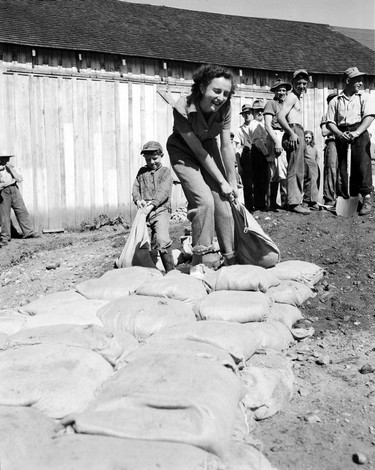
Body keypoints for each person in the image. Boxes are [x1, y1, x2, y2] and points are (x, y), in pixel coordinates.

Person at [166, 64, 238, 275]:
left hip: (208, 145)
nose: (221, 97)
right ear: (202, 87)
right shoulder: (182, 107)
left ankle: (230, 257)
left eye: (225, 93)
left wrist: (231, 182)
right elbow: (197, 152)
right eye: (216, 91)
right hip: (183, 150)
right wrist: (222, 182)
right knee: (204, 201)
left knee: (225, 203)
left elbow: (226, 145)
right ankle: (199, 260)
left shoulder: (226, 107)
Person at [326, 67, 375, 216]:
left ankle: (367, 198)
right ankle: (347, 197)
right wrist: (340, 134)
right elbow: (329, 122)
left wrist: (357, 132)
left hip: (359, 132)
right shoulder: (335, 100)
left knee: (362, 165)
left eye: (361, 80)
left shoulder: (364, 97)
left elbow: (370, 116)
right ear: (348, 81)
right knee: (343, 167)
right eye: (357, 80)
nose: (360, 82)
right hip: (342, 134)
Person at [132, 141, 174, 272]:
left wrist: (153, 204)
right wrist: (138, 200)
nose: (152, 162)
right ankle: (148, 272)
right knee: (143, 242)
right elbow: (136, 188)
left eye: (154, 158)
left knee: (161, 239)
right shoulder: (142, 172)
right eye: (148, 159)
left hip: (160, 210)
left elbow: (164, 191)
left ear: (161, 155)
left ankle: (171, 271)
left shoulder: (165, 172)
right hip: (144, 212)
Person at [277, 69, 311, 214]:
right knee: (295, 167)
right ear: (293, 83)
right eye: (299, 83)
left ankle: (295, 200)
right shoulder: (291, 97)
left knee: (299, 167)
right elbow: (280, 116)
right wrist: (291, 133)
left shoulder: (297, 97)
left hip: (298, 131)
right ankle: (293, 202)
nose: (302, 86)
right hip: (294, 131)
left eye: (304, 83)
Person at [0, 155, 40, 246]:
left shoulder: (10, 168)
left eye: (8, 159)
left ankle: (29, 232)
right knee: (4, 215)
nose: (7, 161)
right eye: (4, 159)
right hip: (3, 192)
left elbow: (20, 179)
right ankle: (5, 237)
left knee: (21, 210)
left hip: (14, 189)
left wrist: (10, 169)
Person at [264, 78, 291, 210]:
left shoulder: (286, 105)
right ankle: (274, 202)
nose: (281, 92)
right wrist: (276, 142)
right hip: (275, 134)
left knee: (283, 168)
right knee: (278, 170)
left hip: (285, 135)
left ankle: (282, 202)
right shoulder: (271, 103)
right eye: (279, 90)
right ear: (274, 91)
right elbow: (268, 125)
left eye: (284, 90)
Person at [248, 99, 271, 210]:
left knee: (262, 179)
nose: (260, 113)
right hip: (258, 152)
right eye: (257, 111)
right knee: (259, 179)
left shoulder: (261, 124)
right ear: (253, 113)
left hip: (260, 151)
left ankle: (261, 203)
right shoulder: (255, 124)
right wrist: (266, 154)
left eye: (262, 110)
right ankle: (259, 205)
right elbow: (258, 141)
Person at [233, 103, 254, 211]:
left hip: (257, 157)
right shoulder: (240, 130)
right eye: (245, 113)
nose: (247, 115)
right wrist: (239, 165)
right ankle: (250, 208)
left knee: (259, 182)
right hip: (245, 157)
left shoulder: (258, 126)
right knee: (247, 184)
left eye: (249, 113)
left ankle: (260, 206)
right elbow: (237, 149)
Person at [320, 92, 338, 207]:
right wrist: (338, 129)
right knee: (331, 170)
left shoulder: (342, 115)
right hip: (332, 144)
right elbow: (324, 132)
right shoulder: (326, 116)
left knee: (343, 171)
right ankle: (329, 198)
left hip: (344, 144)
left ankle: (341, 198)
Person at [303, 130, 320, 210]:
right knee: (307, 183)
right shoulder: (303, 147)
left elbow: (317, 157)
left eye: (309, 138)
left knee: (314, 183)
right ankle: (306, 200)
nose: (308, 139)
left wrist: (316, 164)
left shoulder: (314, 148)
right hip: (306, 166)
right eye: (306, 137)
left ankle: (313, 202)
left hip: (314, 166)